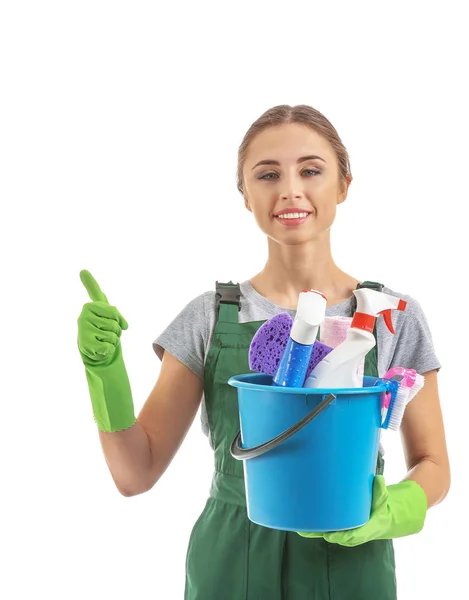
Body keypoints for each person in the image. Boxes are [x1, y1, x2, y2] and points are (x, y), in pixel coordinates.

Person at [77, 104, 450, 599]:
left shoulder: (392, 316)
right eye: (268, 174)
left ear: (343, 186)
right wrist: (104, 371)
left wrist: (392, 509)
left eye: (311, 170)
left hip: (352, 557)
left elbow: (434, 464)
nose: (291, 189)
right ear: (245, 196)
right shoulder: (208, 316)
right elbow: (134, 473)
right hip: (231, 562)